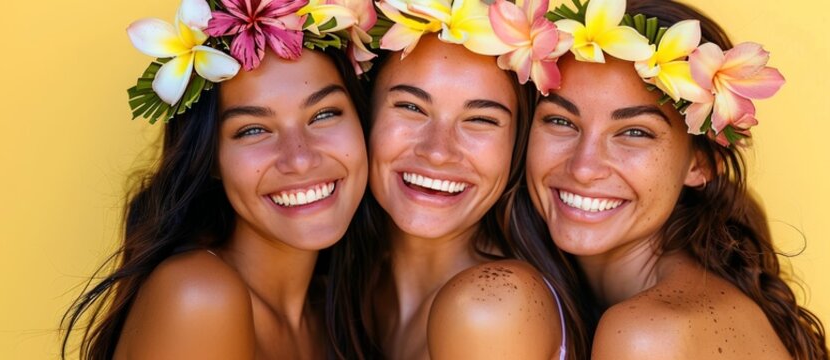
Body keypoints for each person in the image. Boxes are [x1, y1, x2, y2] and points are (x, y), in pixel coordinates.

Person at [61, 0, 378, 358]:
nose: (300, 159)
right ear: (211, 159)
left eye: (324, 114)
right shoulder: (200, 296)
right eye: (254, 129)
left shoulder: (334, 311)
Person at [518, 0, 828, 358]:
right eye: (560, 121)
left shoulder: (647, 335)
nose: (584, 167)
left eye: (635, 132)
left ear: (701, 164)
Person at [326, 1, 590, 358]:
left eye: (480, 120)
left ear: (516, 146)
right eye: (411, 107)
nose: (438, 151)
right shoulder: (349, 283)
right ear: (366, 115)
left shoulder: (493, 303)